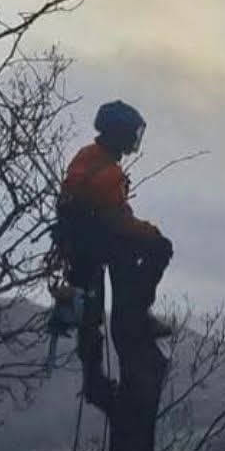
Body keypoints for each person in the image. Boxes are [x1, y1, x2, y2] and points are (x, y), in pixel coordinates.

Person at [56, 100, 174, 404]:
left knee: (89, 317)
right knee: (160, 248)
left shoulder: (88, 156)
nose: (134, 142)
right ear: (119, 134)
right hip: (96, 243)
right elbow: (118, 219)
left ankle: (93, 380)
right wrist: (150, 232)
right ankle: (137, 312)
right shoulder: (105, 171)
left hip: (79, 245)